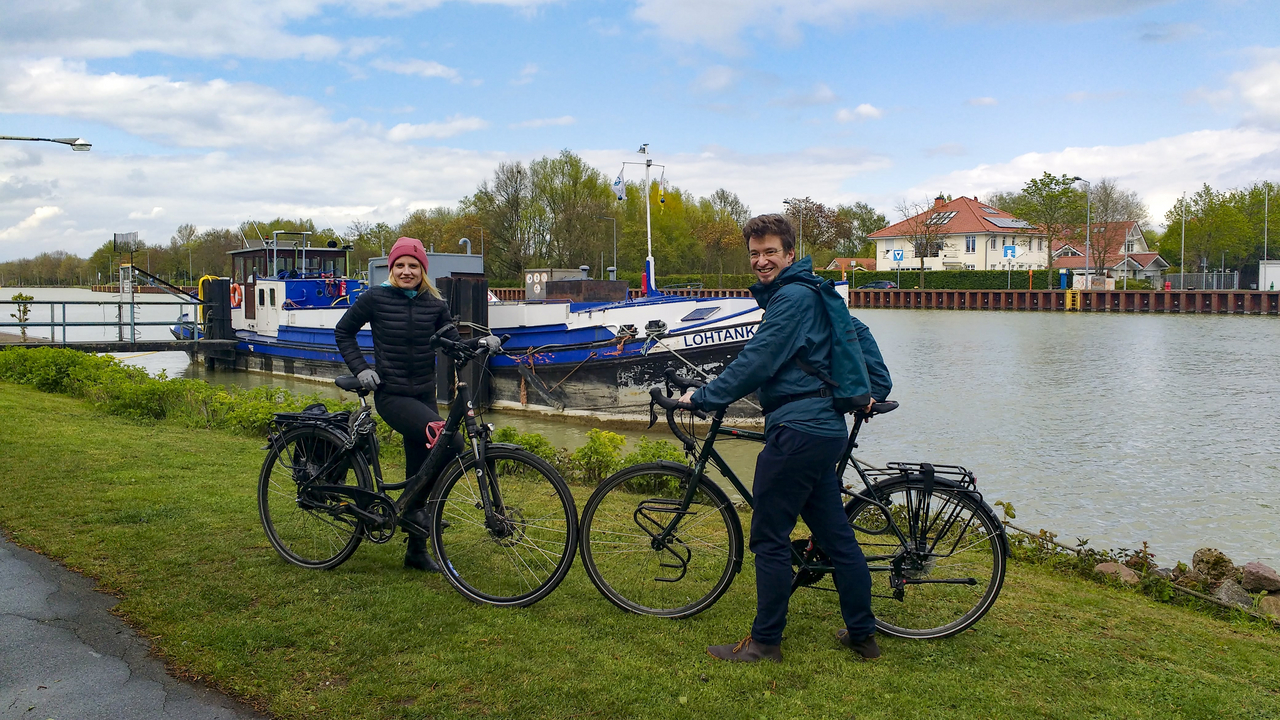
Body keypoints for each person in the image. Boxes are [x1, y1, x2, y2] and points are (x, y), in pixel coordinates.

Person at [679, 213, 890, 663]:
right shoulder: (812, 290)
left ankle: (764, 643)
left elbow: (759, 358)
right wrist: (871, 389)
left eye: (770, 251)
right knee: (837, 539)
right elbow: (859, 333)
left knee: (770, 537)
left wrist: (704, 397)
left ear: (789, 253)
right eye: (754, 254)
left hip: (798, 431)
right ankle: (862, 637)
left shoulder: (791, 298)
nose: (761, 261)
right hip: (823, 429)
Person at [334, 236, 465, 573]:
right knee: (450, 441)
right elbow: (343, 331)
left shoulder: (435, 305)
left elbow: (453, 342)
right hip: (392, 395)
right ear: (391, 269)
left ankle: (416, 552)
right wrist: (362, 369)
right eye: (400, 266)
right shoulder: (376, 298)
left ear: (423, 270)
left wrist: (483, 342)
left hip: (423, 394)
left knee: (420, 465)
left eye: (413, 266)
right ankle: (412, 514)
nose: (407, 271)